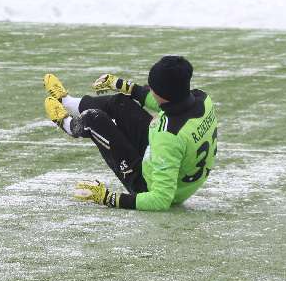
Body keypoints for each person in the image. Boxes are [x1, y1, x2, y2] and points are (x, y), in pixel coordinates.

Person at [41, 56, 219, 212]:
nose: (148, 88)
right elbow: (162, 103)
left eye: (152, 87)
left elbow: (161, 199)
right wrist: (123, 86)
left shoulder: (169, 135)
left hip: (147, 185)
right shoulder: (201, 99)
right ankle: (66, 101)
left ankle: (70, 125)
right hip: (169, 159)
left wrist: (108, 198)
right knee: (120, 101)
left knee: (95, 119)